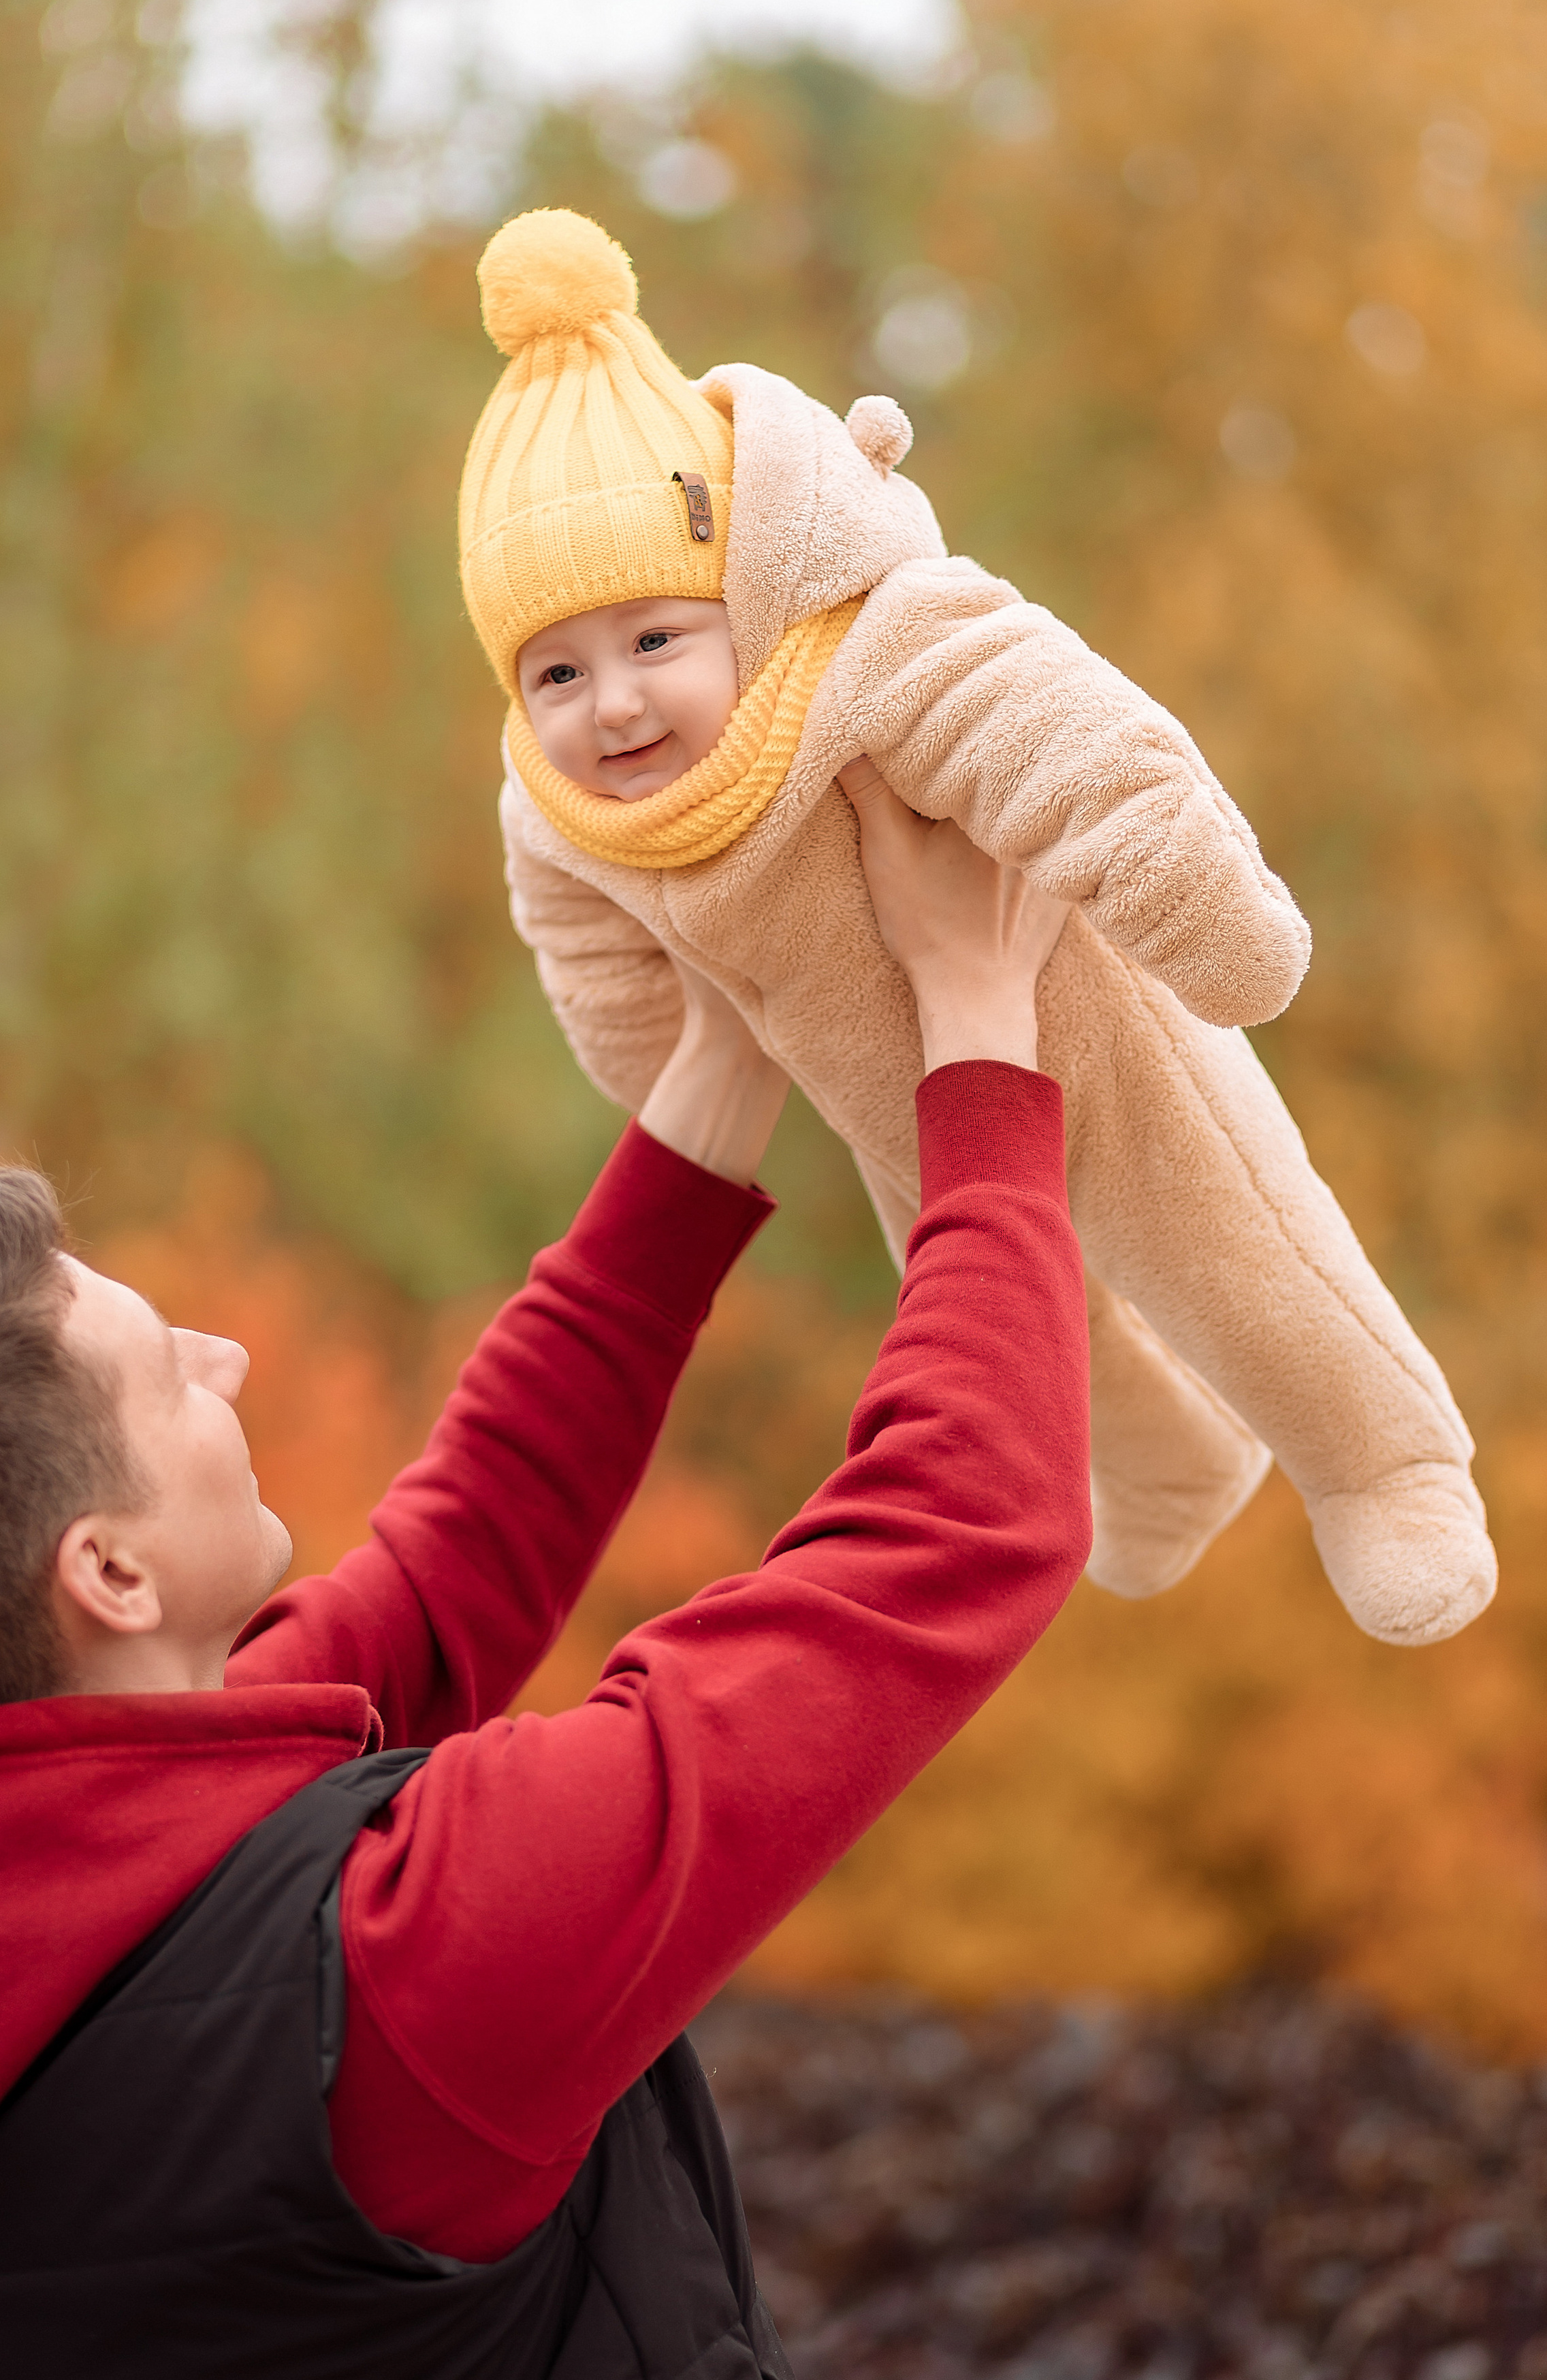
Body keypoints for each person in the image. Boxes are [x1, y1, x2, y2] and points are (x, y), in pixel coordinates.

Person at [0, 770, 1089, 2380]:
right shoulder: (402, 1980)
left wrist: (724, 1061)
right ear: (104, 1573)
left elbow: (459, 1555)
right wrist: (983, 1032)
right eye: (163, 1370)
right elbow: (962, 1526)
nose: (226, 1359)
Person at [473, 206, 1493, 1651]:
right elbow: (583, 950)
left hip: (1095, 1038)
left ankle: (1385, 1467)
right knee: (1005, 1323)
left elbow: (1072, 741)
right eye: (557, 675)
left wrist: (1216, 927)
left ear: (743, 598)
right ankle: (1166, 1472)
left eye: (653, 640)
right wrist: (660, 1075)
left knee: (1240, 1255)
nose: (615, 705)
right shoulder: (560, 810)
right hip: (899, 1108)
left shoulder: (871, 650)